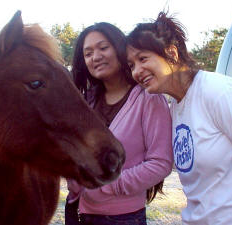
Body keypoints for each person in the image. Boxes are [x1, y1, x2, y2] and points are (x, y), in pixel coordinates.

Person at [126, 12, 232, 225]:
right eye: (131, 65)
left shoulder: (218, 92)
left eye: (143, 59)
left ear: (171, 53)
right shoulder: (175, 107)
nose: (137, 72)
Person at [65, 22, 173, 225]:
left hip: (123, 218)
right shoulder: (86, 101)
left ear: (119, 48)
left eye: (103, 48)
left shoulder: (147, 97)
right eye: (88, 53)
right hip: (78, 213)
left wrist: (108, 184)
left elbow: (161, 163)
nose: (95, 57)